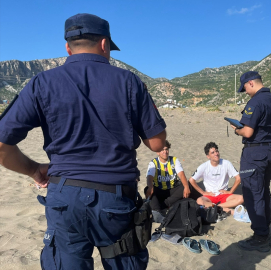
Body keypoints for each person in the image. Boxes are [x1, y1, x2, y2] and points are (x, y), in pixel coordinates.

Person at [0, 13, 166, 270]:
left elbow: (2, 146)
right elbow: (157, 144)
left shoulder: (42, 83)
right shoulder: (130, 82)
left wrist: (35, 170)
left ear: (67, 47)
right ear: (104, 44)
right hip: (116, 199)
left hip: (65, 196)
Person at [231, 71, 271, 252]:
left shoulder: (255, 102)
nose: (245, 91)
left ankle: (260, 236)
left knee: (254, 194)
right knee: (264, 191)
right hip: (270, 150)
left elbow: (247, 132)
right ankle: (265, 229)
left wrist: (236, 129)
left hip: (255, 153)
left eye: (245, 87)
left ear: (251, 83)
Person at [189, 142, 243, 214]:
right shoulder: (204, 166)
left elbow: (238, 178)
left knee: (241, 198)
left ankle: (218, 207)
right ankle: (225, 209)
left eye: (216, 151)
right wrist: (203, 192)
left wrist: (230, 191)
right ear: (208, 156)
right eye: (213, 152)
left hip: (224, 195)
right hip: (210, 196)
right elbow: (191, 180)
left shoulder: (226, 163)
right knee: (199, 201)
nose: (216, 154)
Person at [145, 140, 190, 222]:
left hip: (171, 189)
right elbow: (149, 177)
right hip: (159, 189)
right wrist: (150, 186)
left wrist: (186, 187)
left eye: (166, 149)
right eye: (162, 150)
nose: (165, 152)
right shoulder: (154, 163)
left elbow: (181, 174)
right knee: (147, 189)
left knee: (185, 185)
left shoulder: (174, 160)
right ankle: (157, 211)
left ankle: (162, 206)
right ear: (157, 152)